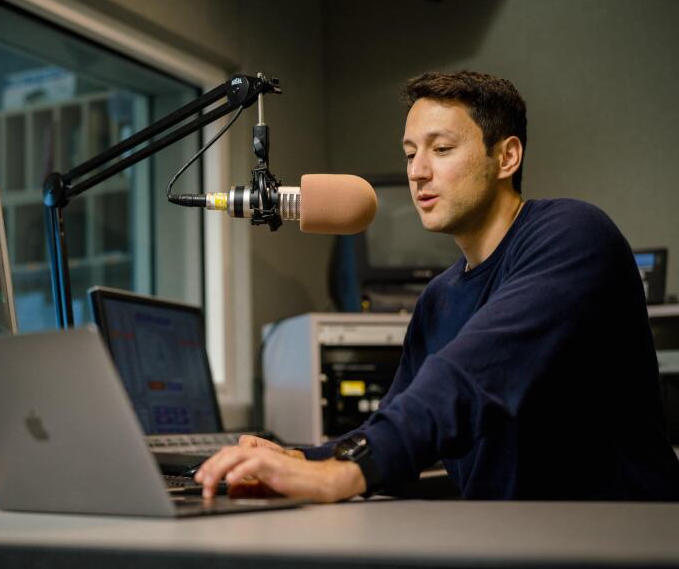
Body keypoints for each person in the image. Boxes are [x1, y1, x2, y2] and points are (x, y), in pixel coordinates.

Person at [195, 70, 679, 501]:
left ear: (507, 156)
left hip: (619, 544)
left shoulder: (573, 234)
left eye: (442, 149)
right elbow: (396, 424)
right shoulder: (440, 299)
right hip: (511, 546)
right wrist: (302, 460)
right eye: (410, 153)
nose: (417, 171)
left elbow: (474, 375)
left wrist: (341, 475)